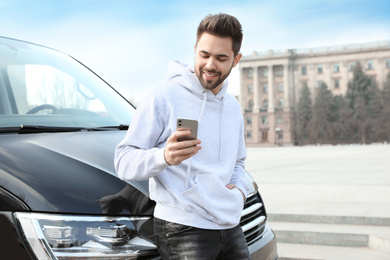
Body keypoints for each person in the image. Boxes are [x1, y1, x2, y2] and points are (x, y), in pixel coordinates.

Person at [115, 13, 250, 259]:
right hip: (183, 227)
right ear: (195, 50)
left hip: (230, 225)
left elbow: (239, 161)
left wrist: (240, 191)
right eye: (204, 55)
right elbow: (123, 161)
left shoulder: (232, 107)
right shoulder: (163, 97)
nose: (210, 65)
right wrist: (164, 157)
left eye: (221, 58)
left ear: (236, 59)